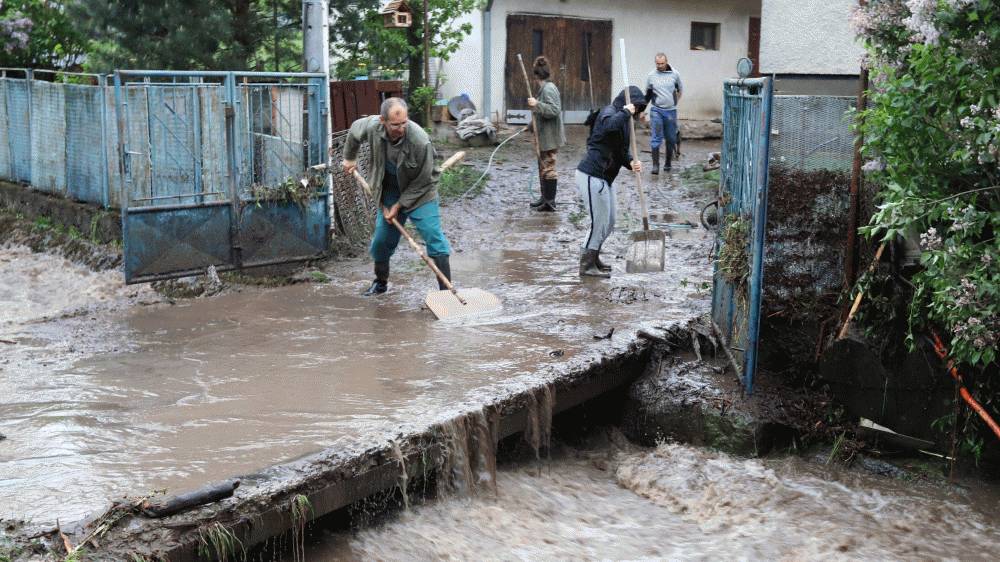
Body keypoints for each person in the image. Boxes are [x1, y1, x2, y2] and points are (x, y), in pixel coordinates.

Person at [342, 97, 452, 296]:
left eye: (404, 123)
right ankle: (380, 283)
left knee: (434, 238)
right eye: (395, 125)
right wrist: (350, 158)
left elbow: (424, 180)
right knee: (381, 242)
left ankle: (446, 292)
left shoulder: (420, 140)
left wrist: (400, 205)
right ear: (383, 121)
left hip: (421, 192)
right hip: (390, 191)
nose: (401, 128)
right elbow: (354, 131)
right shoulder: (372, 126)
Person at [575, 86, 645, 278]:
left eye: (640, 109)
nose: (637, 112)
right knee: (598, 223)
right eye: (636, 107)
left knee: (610, 221)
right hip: (592, 174)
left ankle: (594, 257)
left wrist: (631, 162)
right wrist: (625, 112)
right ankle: (586, 264)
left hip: (606, 178)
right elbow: (608, 126)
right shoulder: (610, 112)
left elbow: (620, 151)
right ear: (627, 103)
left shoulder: (625, 121)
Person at [526, 56, 566, 212]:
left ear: (536, 75)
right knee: (543, 167)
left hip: (550, 137)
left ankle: (550, 202)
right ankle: (544, 198)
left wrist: (537, 104)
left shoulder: (548, 89)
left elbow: (554, 110)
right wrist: (530, 126)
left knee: (548, 168)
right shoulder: (544, 89)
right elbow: (540, 113)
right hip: (544, 136)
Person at [644, 52, 683, 174]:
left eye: (662, 63)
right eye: (657, 63)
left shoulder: (675, 74)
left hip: (670, 111)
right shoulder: (651, 76)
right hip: (656, 110)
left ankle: (668, 163)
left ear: (666, 62)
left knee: (671, 139)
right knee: (656, 138)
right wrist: (642, 110)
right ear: (655, 63)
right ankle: (655, 166)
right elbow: (648, 95)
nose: (660, 66)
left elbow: (680, 90)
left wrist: (674, 102)